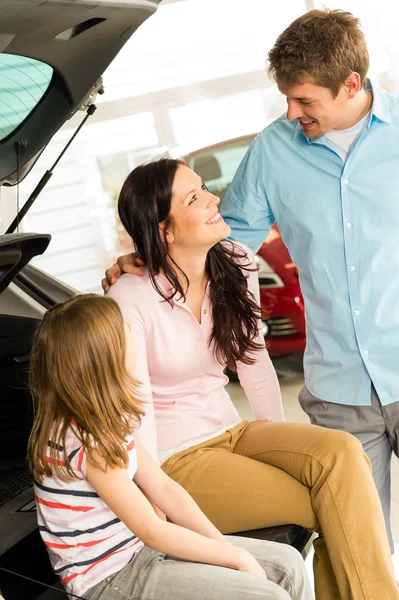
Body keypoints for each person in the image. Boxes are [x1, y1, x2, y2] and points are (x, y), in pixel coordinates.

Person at [103, 9, 399, 557]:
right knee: (358, 543)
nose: (291, 112)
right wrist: (146, 256)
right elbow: (219, 239)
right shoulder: (273, 149)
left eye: (304, 100)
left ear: (351, 84)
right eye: (286, 97)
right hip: (340, 387)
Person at [102, 157, 398, 600]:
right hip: (175, 456)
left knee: (342, 452)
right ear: (166, 230)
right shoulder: (131, 297)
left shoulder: (236, 262)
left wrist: (277, 441)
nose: (213, 198)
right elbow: (132, 403)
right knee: (332, 503)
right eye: (194, 197)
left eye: (203, 188)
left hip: (233, 429)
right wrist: (151, 497)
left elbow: (253, 359)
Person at [27, 294, 312, 600]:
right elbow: (152, 529)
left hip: (140, 551)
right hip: (111, 580)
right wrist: (236, 559)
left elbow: (163, 488)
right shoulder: (86, 441)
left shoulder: (108, 419)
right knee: (268, 596)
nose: (135, 340)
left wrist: (225, 548)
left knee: (288, 565)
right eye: (126, 334)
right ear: (104, 359)